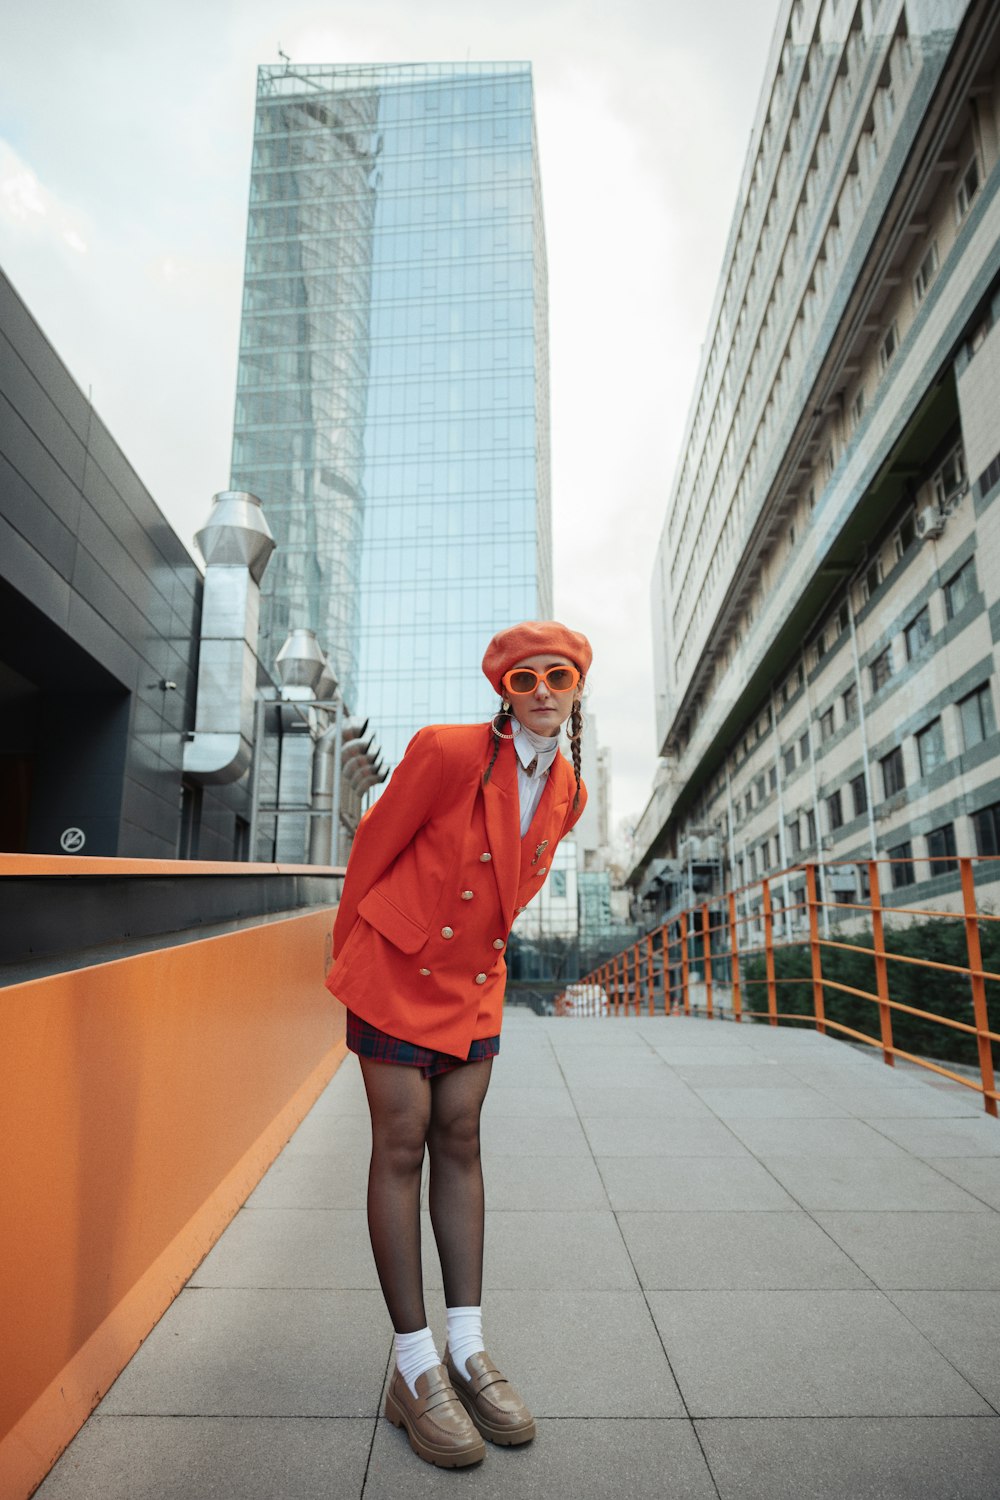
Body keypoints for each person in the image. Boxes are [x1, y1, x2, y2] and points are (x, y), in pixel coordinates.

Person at [325, 620, 591, 1468]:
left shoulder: (570, 791)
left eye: (558, 676)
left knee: (462, 1141)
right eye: (525, 679)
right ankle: (413, 1366)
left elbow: (509, 897)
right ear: (504, 691)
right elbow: (374, 845)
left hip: (472, 984)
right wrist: (348, 958)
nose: (542, 690)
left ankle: (468, 1351)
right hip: (395, 967)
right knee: (401, 1144)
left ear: (576, 686)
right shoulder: (445, 750)